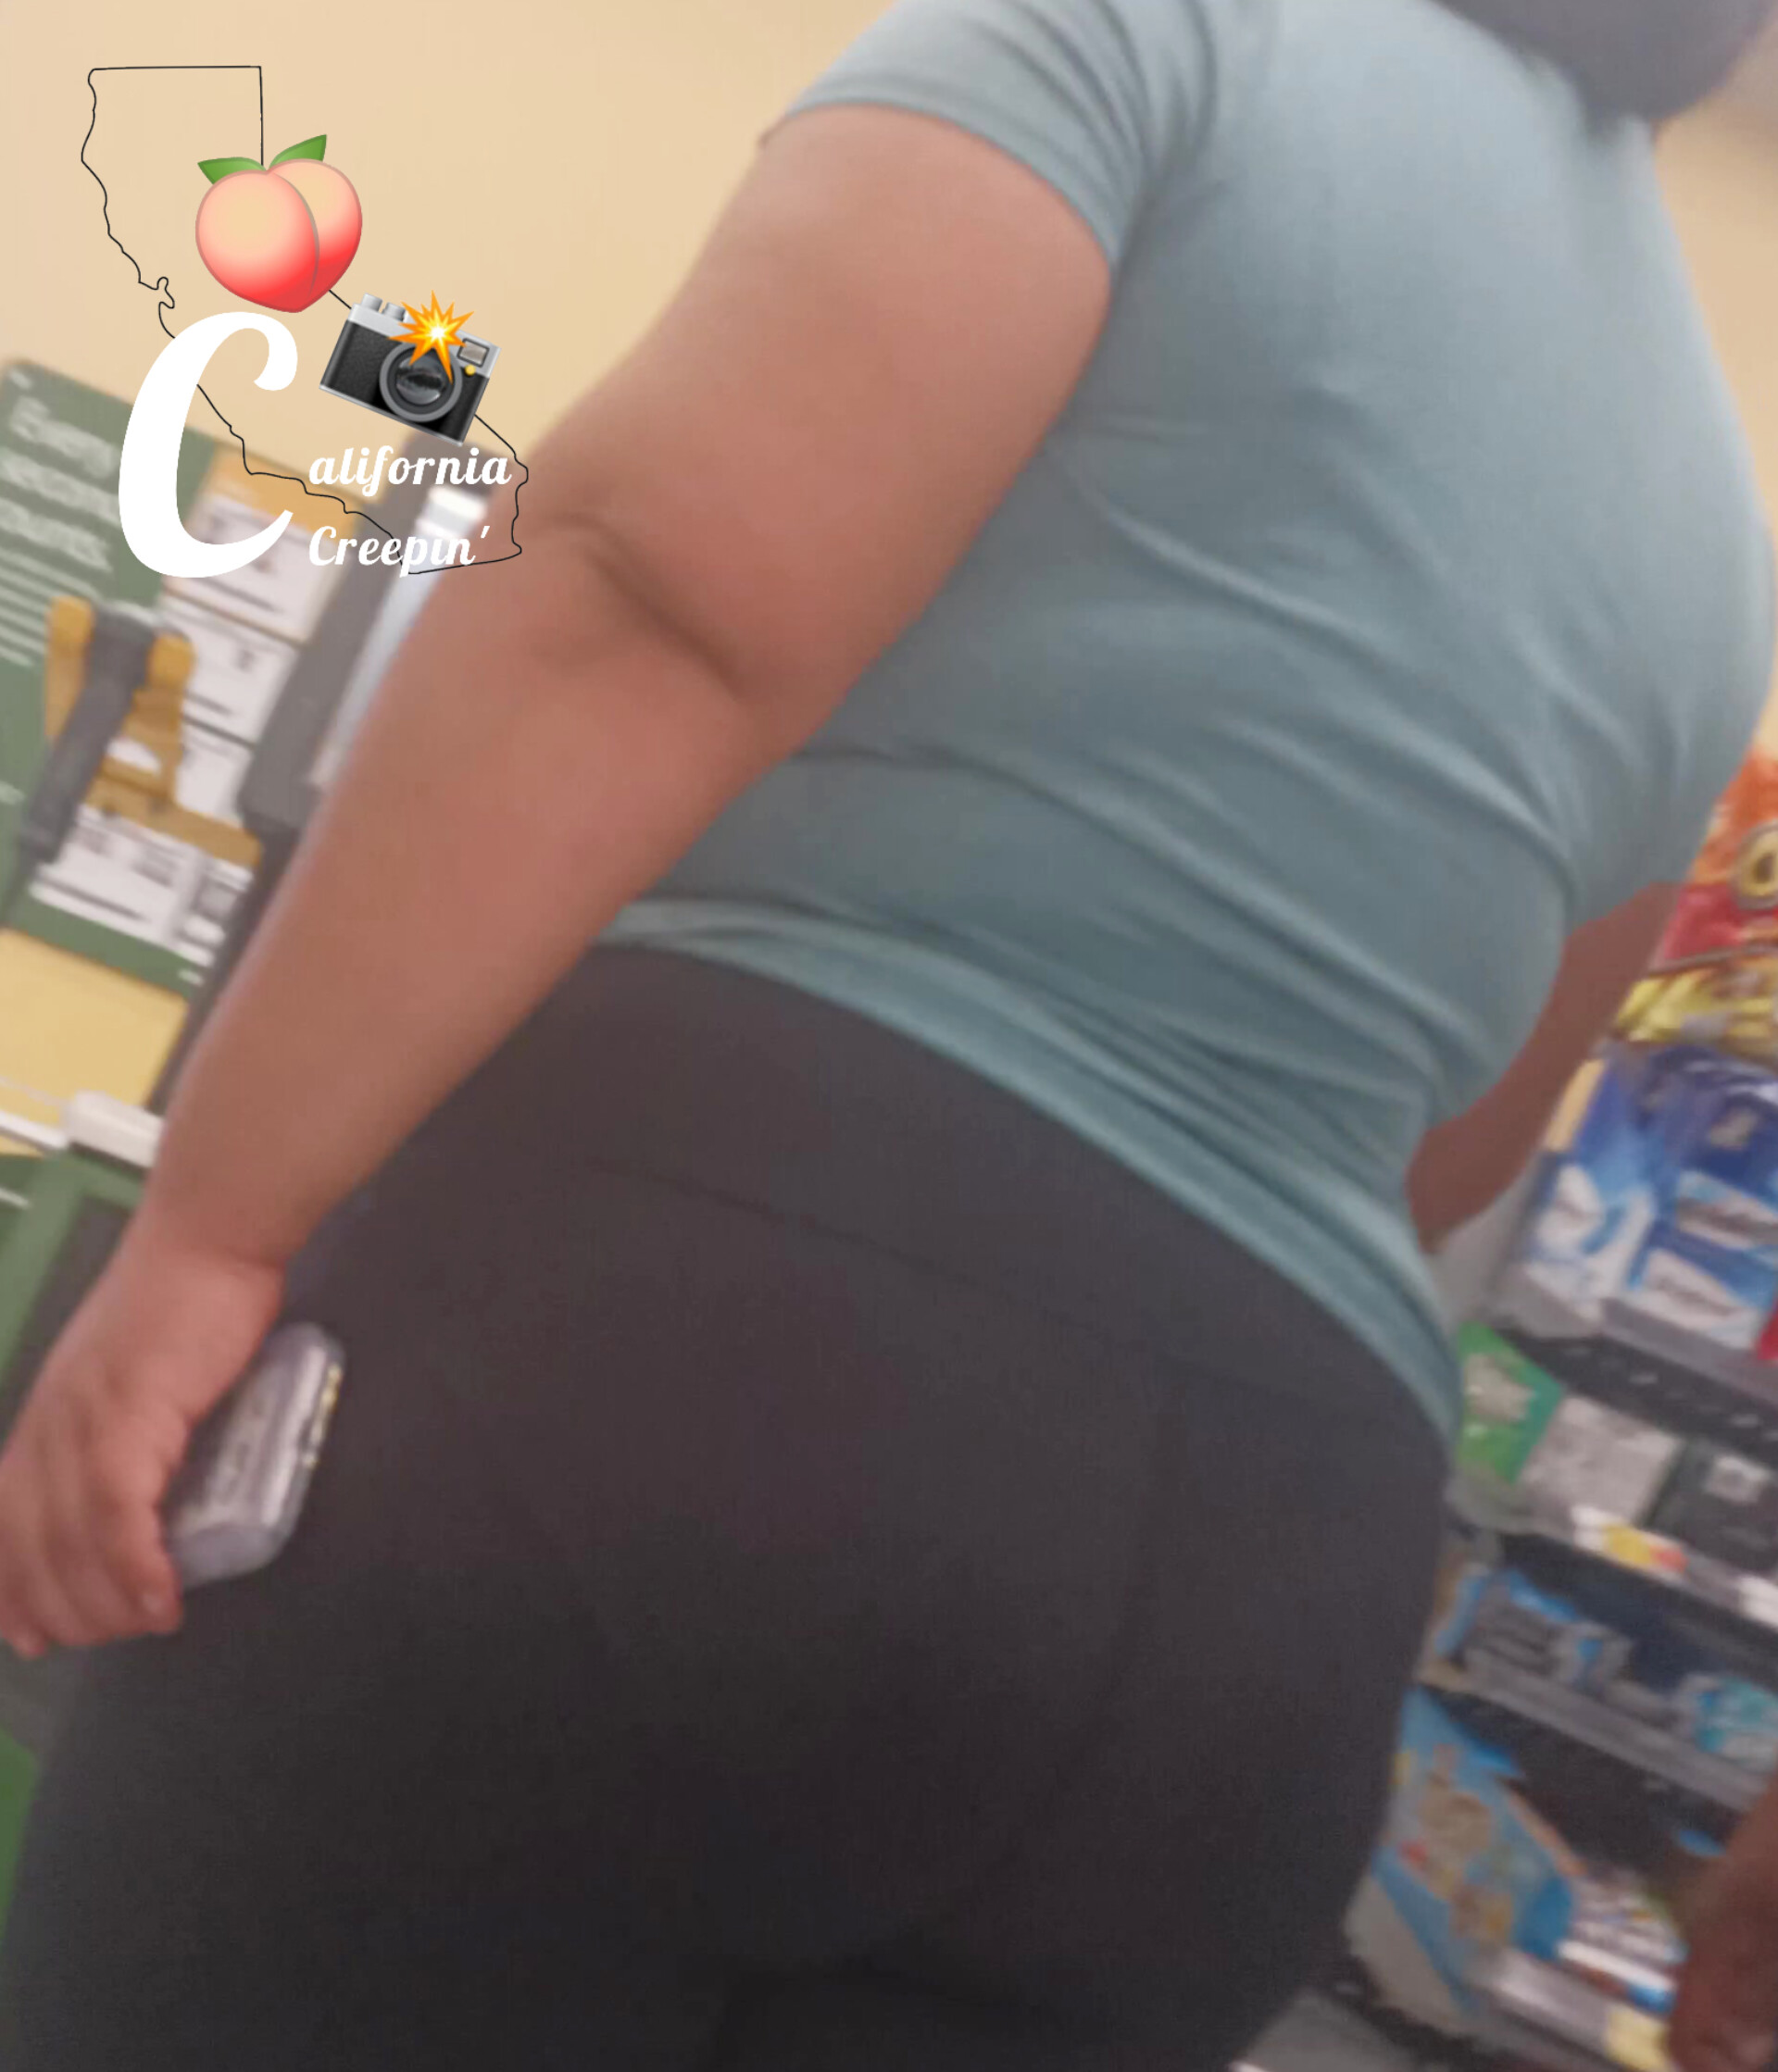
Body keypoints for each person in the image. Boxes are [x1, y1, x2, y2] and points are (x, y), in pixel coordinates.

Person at [0, 0, 1774, 2063]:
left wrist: (211, 1229)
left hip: (691, 1360)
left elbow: (655, 589)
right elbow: (1456, 1141)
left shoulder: (1156, 39)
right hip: (1260, 1611)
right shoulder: (1714, 528)